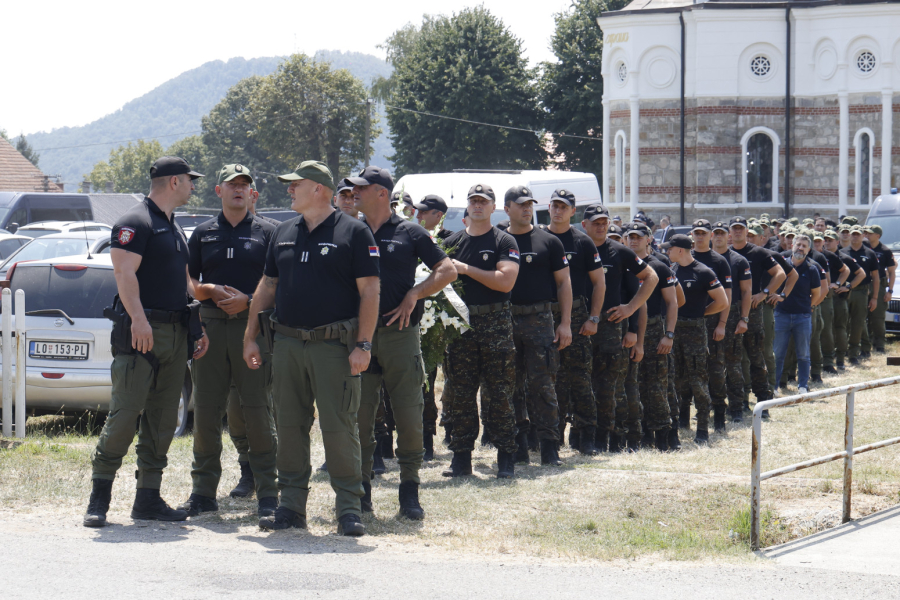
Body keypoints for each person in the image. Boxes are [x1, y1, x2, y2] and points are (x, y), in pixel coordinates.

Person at [243, 160, 380, 536]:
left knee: (339, 427)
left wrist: (363, 345)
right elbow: (267, 285)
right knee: (288, 426)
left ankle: (349, 508)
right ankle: (290, 507)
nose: (289, 190)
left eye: (295, 184)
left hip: (334, 347)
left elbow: (370, 291)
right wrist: (250, 334)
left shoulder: (354, 232)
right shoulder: (283, 232)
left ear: (318, 188)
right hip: (287, 343)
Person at [84, 156, 209, 528]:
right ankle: (99, 499)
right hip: (143, 333)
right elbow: (124, 273)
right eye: (189, 179)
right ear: (173, 182)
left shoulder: (172, 226)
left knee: (161, 420)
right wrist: (138, 320)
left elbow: (182, 283)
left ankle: (148, 499)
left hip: (174, 333)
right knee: (125, 415)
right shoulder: (134, 222)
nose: (192, 185)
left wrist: (197, 328)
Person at [350, 165, 456, 520]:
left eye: (361, 189)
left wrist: (415, 293)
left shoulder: (410, 231)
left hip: (400, 336)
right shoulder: (351, 230)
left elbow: (447, 270)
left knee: (409, 417)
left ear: (381, 193)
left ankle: (409, 490)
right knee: (360, 418)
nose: (355, 193)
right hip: (360, 338)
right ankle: (361, 493)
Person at [176, 163, 280, 518]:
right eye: (231, 184)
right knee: (206, 411)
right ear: (218, 191)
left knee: (257, 410)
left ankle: (268, 492)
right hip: (210, 328)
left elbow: (279, 283)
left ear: (252, 193)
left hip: (252, 330)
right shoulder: (202, 233)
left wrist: (249, 301)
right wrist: (205, 289)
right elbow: (188, 280)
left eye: (244, 184)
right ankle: (203, 491)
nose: (238, 189)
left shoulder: (269, 232)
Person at [442, 184, 520, 479]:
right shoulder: (452, 240)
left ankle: (505, 456)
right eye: (473, 201)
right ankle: (461, 457)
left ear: (493, 206)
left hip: (495, 324)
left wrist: (465, 269)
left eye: (483, 201)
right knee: (460, 393)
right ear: (468, 205)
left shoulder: (504, 240)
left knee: (498, 392)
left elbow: (505, 282)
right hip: (460, 327)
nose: (478, 205)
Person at [503, 186, 572, 466]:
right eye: (520, 204)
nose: (526, 208)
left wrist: (565, 323)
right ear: (507, 208)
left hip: (540, 319)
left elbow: (564, 282)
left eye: (529, 204)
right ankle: (518, 444)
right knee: (510, 385)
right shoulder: (499, 240)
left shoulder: (549, 241)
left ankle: (548, 446)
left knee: (543, 384)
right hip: (505, 319)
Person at [581, 204, 658, 452]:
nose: (601, 226)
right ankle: (580, 437)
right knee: (579, 383)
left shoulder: (619, 252)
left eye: (604, 222)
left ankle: (607, 437)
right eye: (596, 222)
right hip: (578, 322)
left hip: (610, 326)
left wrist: (630, 309)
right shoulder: (575, 247)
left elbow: (651, 278)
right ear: (585, 225)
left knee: (609, 385)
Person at [543, 189, 606, 455]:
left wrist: (594, 317)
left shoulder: (582, 242)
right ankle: (551, 437)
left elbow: (599, 283)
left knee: (580, 378)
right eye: (555, 205)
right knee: (547, 378)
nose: (558, 210)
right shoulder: (538, 238)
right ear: (548, 208)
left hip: (578, 316)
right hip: (543, 316)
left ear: (573, 211)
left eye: (564, 207)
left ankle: (585, 436)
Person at [662, 234, 728, 444]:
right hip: (674, 329)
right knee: (677, 377)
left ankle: (702, 428)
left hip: (695, 331)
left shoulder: (703, 271)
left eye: (670, 249)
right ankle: (682, 421)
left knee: (698, 379)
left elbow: (722, 301)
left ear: (680, 250)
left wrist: (702, 313)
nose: (667, 252)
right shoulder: (672, 270)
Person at [626, 222, 680, 450]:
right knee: (634, 384)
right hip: (630, 330)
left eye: (639, 236)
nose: (634, 240)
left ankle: (668, 433)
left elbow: (675, 302)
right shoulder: (623, 264)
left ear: (648, 239)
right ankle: (643, 433)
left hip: (655, 330)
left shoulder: (660, 267)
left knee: (659, 384)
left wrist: (668, 334)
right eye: (630, 236)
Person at [729, 217, 785, 413]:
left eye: (740, 229)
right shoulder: (724, 254)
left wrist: (765, 293)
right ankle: (741, 400)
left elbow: (781, 274)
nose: (737, 232)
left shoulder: (758, 252)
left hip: (752, 310)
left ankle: (764, 401)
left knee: (756, 357)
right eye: (734, 229)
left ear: (746, 232)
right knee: (736, 358)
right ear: (730, 232)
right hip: (729, 311)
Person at [688, 219, 733, 432]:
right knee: (689, 371)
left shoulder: (719, 261)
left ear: (711, 235)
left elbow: (727, 296)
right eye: (696, 232)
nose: (699, 236)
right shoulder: (685, 257)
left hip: (712, 321)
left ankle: (719, 417)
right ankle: (685, 417)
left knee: (715, 370)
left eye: (703, 233)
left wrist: (722, 323)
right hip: (688, 323)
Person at [711, 222, 752, 422]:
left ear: (728, 236)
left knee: (733, 363)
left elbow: (745, 292)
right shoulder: (701, 258)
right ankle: (714, 405)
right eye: (715, 233)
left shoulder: (739, 260)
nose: (719, 236)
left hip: (733, 314)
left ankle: (737, 406)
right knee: (710, 364)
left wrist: (744, 318)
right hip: (707, 315)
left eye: (722, 233)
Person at [773, 234, 823, 394]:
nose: (800, 248)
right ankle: (773, 386)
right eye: (798, 245)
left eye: (804, 246)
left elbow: (817, 292)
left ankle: (802, 385)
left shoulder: (812, 269)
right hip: (781, 315)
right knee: (778, 353)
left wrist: (810, 307)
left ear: (808, 250)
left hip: (802, 316)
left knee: (803, 353)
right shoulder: (781, 266)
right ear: (792, 246)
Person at [826, 229, 865, 370]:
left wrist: (848, 286)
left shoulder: (844, 258)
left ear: (837, 242)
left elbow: (861, 274)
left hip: (838, 298)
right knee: (826, 330)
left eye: (830, 240)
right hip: (824, 299)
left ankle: (841, 359)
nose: (827, 242)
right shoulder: (820, 256)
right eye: (825, 240)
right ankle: (828, 359)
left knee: (840, 328)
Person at [840, 225, 879, 365]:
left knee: (858, 323)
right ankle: (841, 351)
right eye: (853, 234)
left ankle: (853, 354)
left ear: (863, 236)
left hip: (861, 292)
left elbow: (876, 277)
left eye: (858, 234)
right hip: (843, 291)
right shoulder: (842, 252)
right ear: (850, 235)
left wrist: (874, 298)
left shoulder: (870, 253)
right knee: (842, 322)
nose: (855, 236)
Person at [865, 224, 895, 353]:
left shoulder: (885, 250)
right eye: (866, 233)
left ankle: (879, 344)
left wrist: (890, 291)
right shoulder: (863, 248)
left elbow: (892, 272)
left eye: (870, 233)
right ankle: (866, 343)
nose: (867, 235)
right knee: (862, 316)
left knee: (878, 316)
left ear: (878, 235)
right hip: (865, 284)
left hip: (880, 284)